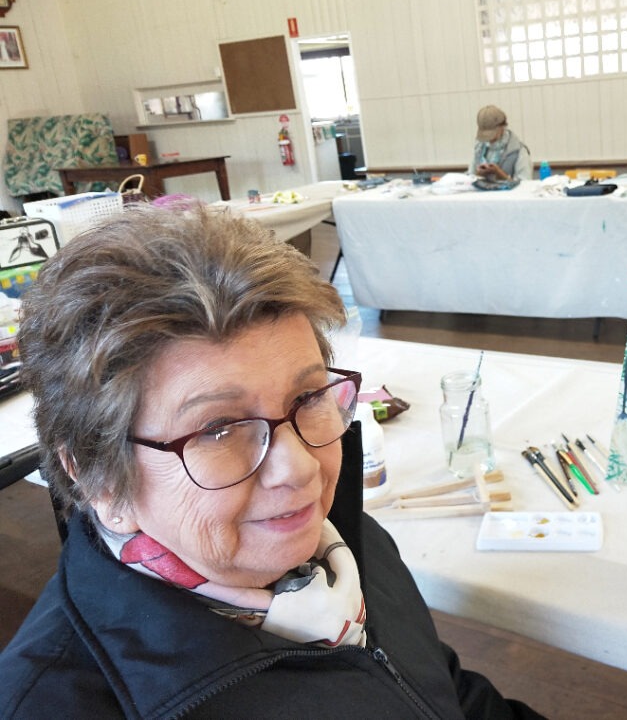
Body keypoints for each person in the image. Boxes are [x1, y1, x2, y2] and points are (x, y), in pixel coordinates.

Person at [0, 206, 541, 718]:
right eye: (217, 429)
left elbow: (444, 692)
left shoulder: (342, 542)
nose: (301, 470)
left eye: (308, 398)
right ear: (100, 479)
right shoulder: (51, 704)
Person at [471, 105, 533, 181]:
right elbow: (469, 179)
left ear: (502, 126)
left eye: (492, 134)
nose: (489, 139)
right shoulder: (479, 148)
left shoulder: (518, 150)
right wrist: (478, 174)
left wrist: (499, 173)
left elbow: (525, 183)